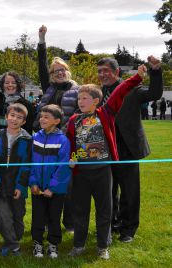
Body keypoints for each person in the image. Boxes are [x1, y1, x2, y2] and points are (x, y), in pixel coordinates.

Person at [66, 64, 145, 260]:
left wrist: (136, 78)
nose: (80, 101)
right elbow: (72, 145)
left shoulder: (105, 113)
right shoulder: (73, 120)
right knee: (80, 211)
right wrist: (73, 160)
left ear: (96, 101)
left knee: (105, 210)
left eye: (85, 98)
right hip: (81, 175)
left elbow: (120, 91)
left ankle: (103, 246)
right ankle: (78, 245)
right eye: (79, 98)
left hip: (102, 172)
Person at [98, 56, 163, 242]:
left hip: (128, 148)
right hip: (106, 149)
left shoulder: (131, 88)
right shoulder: (99, 92)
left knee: (130, 191)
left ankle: (128, 229)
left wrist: (156, 71)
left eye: (106, 70)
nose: (103, 74)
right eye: (100, 71)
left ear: (117, 71)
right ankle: (111, 224)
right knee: (109, 191)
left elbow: (154, 94)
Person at [36, 25, 79, 232]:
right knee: (46, 179)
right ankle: (46, 221)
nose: (59, 73)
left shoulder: (77, 90)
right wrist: (42, 40)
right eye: (56, 71)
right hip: (46, 141)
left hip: (68, 141)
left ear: (67, 71)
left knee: (67, 182)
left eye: (62, 69)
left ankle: (69, 223)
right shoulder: (49, 88)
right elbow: (41, 67)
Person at [29, 104, 71, 259]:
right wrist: (33, 182)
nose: (42, 119)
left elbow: (63, 167)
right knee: (37, 217)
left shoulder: (63, 140)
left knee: (54, 217)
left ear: (57, 121)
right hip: (37, 188)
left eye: (46, 117)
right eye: (41, 116)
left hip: (56, 190)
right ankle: (37, 243)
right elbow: (30, 163)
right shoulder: (35, 138)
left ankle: (53, 244)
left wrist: (52, 188)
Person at [0, 103, 32, 256]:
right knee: (2, 215)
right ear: (6, 117)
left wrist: (21, 186)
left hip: (17, 184)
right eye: (12, 115)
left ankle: (12, 240)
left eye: (19, 117)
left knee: (18, 215)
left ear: (23, 121)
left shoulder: (27, 140)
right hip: (1, 184)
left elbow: (26, 165)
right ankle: (13, 245)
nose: (15, 119)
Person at [0, 45, 35, 134]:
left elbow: (28, 130)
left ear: (18, 85)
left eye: (13, 82)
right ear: (2, 85)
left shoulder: (27, 105)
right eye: (6, 83)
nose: (10, 85)